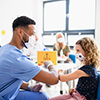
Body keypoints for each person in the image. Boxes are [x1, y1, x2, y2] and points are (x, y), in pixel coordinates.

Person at [0, 16, 59, 100]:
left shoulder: (4, 49)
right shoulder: (17, 58)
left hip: (6, 92)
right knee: (43, 97)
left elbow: (8, 80)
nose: (33, 37)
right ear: (20, 32)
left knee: (42, 96)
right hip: (5, 96)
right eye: (31, 34)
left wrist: (29, 87)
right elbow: (54, 79)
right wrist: (50, 64)